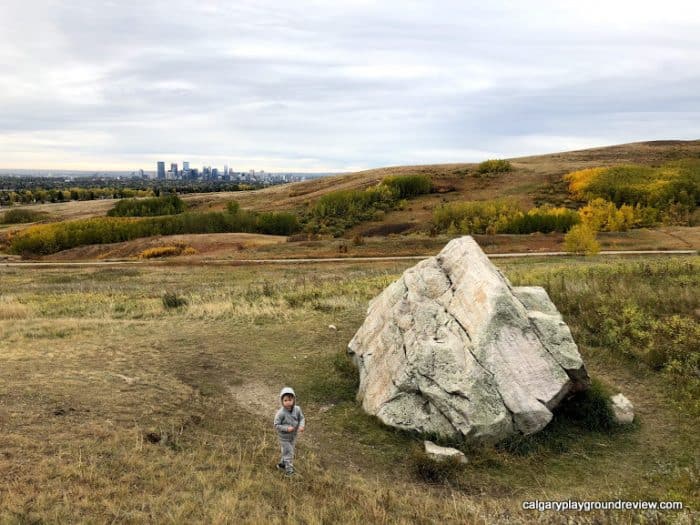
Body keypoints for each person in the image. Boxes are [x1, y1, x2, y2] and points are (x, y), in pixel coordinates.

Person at [273, 387, 305, 476]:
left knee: (286, 452)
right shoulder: (281, 413)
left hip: (293, 436)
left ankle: (282, 465)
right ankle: (289, 472)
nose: (288, 402)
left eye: (290, 400)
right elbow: (276, 425)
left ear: (294, 400)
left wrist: (301, 426)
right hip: (284, 438)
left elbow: (302, 418)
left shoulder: (297, 409)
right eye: (285, 400)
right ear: (282, 401)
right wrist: (287, 428)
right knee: (289, 453)